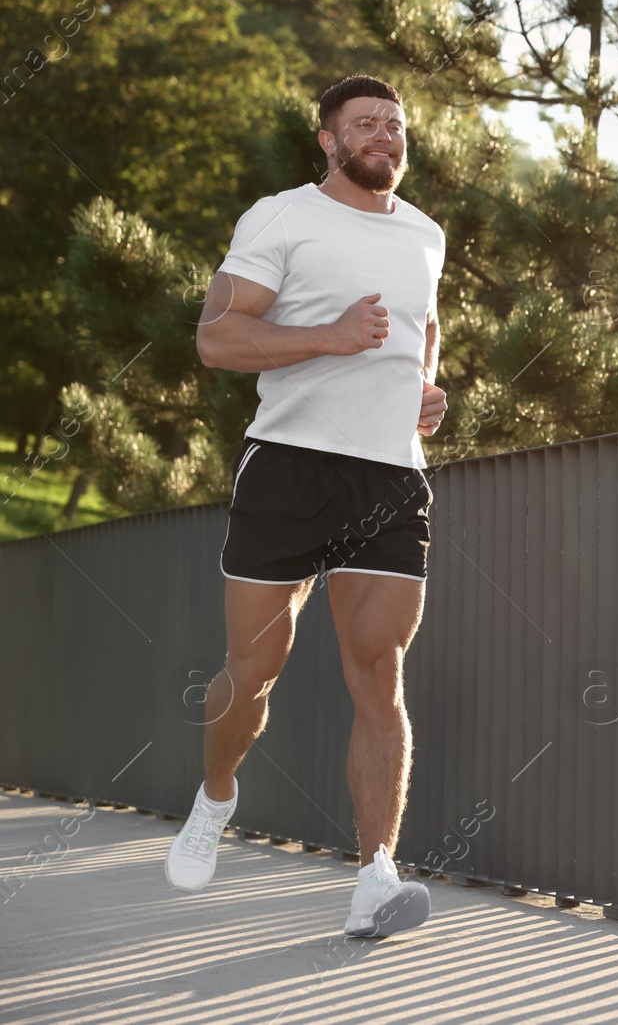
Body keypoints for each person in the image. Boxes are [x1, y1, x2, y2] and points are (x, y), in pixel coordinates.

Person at [165, 74, 447, 938]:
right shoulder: (282, 216)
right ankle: (217, 795)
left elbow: (424, 324)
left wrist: (432, 388)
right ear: (328, 141)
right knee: (255, 671)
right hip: (288, 466)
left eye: (394, 125)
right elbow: (216, 336)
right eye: (364, 124)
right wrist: (326, 336)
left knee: (380, 672)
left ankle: (375, 875)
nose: (383, 136)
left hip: (389, 476)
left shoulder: (427, 234)